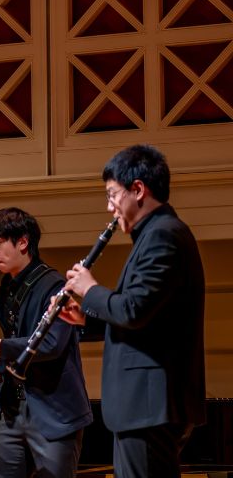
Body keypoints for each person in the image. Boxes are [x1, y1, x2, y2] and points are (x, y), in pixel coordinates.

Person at [60, 144, 205, 478]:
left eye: (112, 195)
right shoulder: (156, 235)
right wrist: (84, 317)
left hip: (149, 405)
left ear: (138, 189)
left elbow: (134, 310)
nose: (110, 207)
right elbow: (148, 319)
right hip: (147, 405)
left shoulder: (163, 236)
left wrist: (89, 288)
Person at [0, 207, 92, 478]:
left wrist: (1, 348)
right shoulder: (6, 289)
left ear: (23, 242)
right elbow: (17, 340)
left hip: (54, 412)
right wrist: (1, 365)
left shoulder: (54, 285)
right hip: (14, 410)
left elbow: (51, 344)